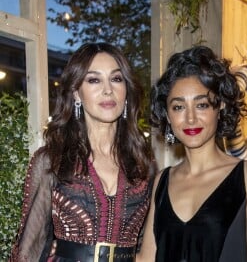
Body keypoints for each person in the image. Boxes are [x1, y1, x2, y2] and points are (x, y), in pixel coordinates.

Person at [9, 42, 153, 262]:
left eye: (116, 79)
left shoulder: (144, 164)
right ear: (76, 93)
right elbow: (29, 249)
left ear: (126, 90)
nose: (108, 90)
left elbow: (146, 246)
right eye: (94, 80)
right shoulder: (52, 160)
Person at [137, 46, 247, 262]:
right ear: (168, 116)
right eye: (178, 107)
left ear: (220, 107)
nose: (190, 118)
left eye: (201, 104)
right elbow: (146, 258)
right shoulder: (162, 180)